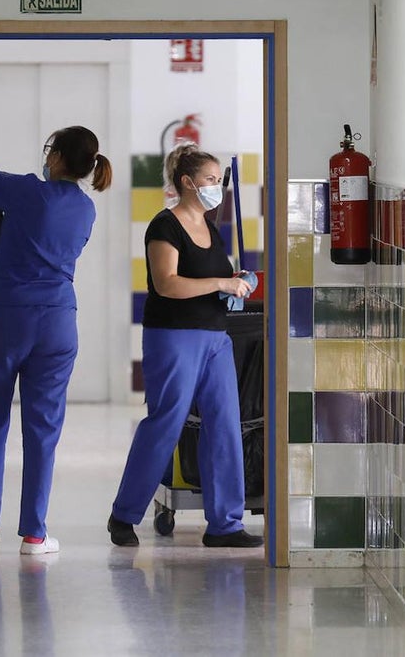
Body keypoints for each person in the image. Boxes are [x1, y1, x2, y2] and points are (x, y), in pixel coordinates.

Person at [0, 104, 112, 555]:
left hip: (5, 317)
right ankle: (35, 534)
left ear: (55, 158)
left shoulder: (29, 192)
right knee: (43, 427)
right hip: (57, 323)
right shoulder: (86, 210)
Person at [107, 143, 263, 549]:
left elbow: (213, 279)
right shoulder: (165, 226)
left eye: (219, 180)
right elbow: (167, 283)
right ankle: (124, 515)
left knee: (226, 425)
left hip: (216, 338)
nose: (217, 187)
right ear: (187, 183)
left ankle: (225, 524)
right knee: (166, 422)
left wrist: (236, 282)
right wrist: (220, 283)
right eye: (210, 181)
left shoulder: (210, 228)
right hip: (173, 338)